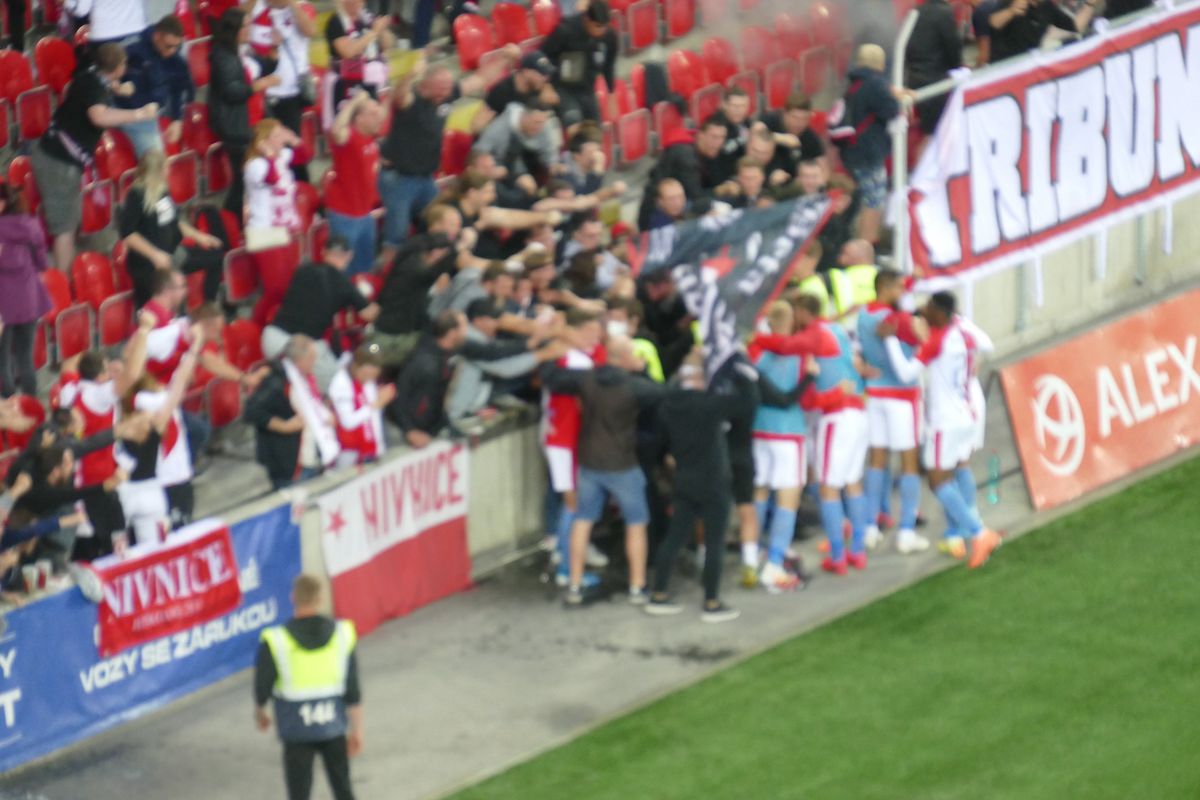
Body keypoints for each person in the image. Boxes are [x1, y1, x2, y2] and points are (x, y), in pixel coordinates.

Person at [541, 335, 667, 605]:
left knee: (582, 520)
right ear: (623, 359)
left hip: (589, 463)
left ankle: (574, 585)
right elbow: (662, 392)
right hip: (622, 465)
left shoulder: (586, 379)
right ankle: (637, 587)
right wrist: (641, 369)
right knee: (637, 523)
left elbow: (552, 376)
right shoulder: (634, 386)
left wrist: (554, 350)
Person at [880, 292, 1003, 568]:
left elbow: (906, 374)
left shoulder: (937, 341)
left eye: (929, 309)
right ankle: (960, 531)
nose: (924, 313)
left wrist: (889, 339)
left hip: (945, 420)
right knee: (958, 468)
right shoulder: (962, 327)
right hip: (967, 410)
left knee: (937, 479)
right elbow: (987, 344)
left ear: (939, 312)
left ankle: (978, 533)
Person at [30, 43, 159, 271]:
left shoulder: (91, 76)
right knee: (64, 229)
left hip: (56, 156)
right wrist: (139, 114)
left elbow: (99, 88)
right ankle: (64, 285)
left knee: (70, 223)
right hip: (58, 163)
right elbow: (98, 116)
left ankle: (68, 275)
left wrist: (117, 88)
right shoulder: (94, 89)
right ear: (118, 68)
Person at [644, 353, 745, 622]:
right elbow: (744, 403)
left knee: (675, 537)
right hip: (713, 481)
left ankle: (659, 594)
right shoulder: (708, 405)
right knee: (714, 542)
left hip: (685, 478)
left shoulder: (668, 406)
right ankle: (711, 601)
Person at [255, 574, 362, 800]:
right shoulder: (342, 634)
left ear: (293, 597)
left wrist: (260, 713)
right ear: (320, 599)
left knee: (299, 794)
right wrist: (357, 730)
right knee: (343, 789)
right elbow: (352, 689)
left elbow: (261, 687)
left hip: (296, 731)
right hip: (333, 727)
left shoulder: (276, 640)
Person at [857, 268, 930, 554]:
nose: (903, 293)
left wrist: (912, 280)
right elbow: (921, 333)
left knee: (877, 460)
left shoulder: (863, 315)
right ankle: (906, 532)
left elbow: (895, 297)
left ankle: (871, 527)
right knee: (909, 463)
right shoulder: (897, 320)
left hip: (875, 393)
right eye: (899, 288)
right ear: (887, 289)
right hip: (903, 397)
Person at [116, 321, 204, 545]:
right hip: (165, 482)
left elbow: (177, 385)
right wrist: (194, 347)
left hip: (177, 478)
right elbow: (178, 385)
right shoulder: (141, 401)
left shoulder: (150, 396)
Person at [749, 302, 817, 592]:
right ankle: (775, 566)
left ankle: (752, 558)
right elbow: (806, 398)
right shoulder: (800, 352)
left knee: (760, 492)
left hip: (759, 431)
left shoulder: (756, 351)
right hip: (788, 433)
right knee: (788, 498)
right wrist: (812, 375)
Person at [262, 235, 380, 392]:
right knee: (339, 387)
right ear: (349, 256)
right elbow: (369, 314)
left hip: (272, 341)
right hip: (304, 350)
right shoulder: (345, 285)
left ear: (324, 252)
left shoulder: (302, 269)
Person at [119, 150, 226, 308]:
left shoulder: (162, 190)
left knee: (216, 257)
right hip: (148, 263)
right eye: (166, 167)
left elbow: (175, 221)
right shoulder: (136, 195)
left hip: (171, 253)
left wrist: (200, 237)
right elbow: (127, 233)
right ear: (157, 170)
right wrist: (155, 255)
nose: (169, 171)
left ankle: (208, 307)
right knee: (165, 297)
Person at [378, 59, 458, 257]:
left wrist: (504, 60)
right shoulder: (411, 99)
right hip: (400, 179)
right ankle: (389, 274)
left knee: (435, 223)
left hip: (426, 178)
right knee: (396, 236)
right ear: (425, 85)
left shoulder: (445, 98)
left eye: (448, 87)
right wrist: (410, 74)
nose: (445, 92)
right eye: (440, 87)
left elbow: (478, 80)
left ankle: (427, 264)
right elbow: (399, 96)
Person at [209, 8, 282, 215]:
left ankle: (239, 223)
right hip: (237, 127)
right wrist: (259, 85)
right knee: (243, 182)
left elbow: (262, 67)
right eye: (246, 26)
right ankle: (230, 222)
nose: (250, 30)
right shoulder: (222, 56)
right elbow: (231, 91)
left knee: (250, 181)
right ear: (235, 30)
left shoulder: (244, 50)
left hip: (254, 121)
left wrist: (274, 50)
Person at [245, 334, 340, 489]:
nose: (314, 363)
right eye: (311, 359)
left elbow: (312, 405)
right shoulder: (276, 381)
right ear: (299, 360)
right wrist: (283, 426)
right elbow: (252, 411)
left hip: (312, 457)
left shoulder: (304, 378)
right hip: (289, 463)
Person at [447, 300, 564, 421]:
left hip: (467, 402)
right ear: (478, 321)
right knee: (526, 379)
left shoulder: (479, 337)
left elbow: (501, 350)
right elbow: (505, 368)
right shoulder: (469, 340)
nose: (497, 324)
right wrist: (542, 354)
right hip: (456, 410)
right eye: (493, 320)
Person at [834, 44, 904, 246]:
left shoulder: (854, 83)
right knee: (874, 200)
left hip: (852, 151)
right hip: (868, 152)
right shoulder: (875, 84)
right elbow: (891, 110)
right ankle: (866, 245)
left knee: (865, 198)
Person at [243, 118, 307, 327]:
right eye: (277, 136)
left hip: (285, 229)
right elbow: (271, 179)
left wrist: (295, 140)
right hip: (264, 230)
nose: (282, 139)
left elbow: (304, 157)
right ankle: (258, 325)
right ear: (265, 140)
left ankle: (282, 324)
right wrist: (269, 156)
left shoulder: (282, 156)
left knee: (290, 285)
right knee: (275, 289)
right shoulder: (255, 165)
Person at [248, 0, 318, 183]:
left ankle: (302, 192)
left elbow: (310, 30)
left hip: (290, 95)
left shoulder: (301, 7)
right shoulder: (256, 8)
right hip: (261, 93)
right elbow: (236, 22)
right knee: (263, 149)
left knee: (291, 147)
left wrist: (292, 5)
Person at [371, 232, 456, 369]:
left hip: (408, 333)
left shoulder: (423, 269)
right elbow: (422, 280)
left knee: (399, 361)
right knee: (372, 352)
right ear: (436, 253)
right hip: (386, 331)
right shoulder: (413, 269)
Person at [388, 310, 469, 449]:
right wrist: (409, 430)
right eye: (464, 327)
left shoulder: (446, 355)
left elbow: (438, 397)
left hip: (427, 432)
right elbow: (398, 394)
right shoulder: (423, 361)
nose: (467, 332)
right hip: (406, 435)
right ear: (451, 333)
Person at [325, 91, 385, 275]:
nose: (379, 118)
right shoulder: (348, 138)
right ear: (359, 118)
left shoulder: (371, 139)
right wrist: (354, 102)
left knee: (366, 266)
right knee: (342, 269)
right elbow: (336, 130)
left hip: (365, 214)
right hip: (345, 214)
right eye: (373, 114)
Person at [118, 15, 194, 157]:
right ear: (157, 36)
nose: (172, 51)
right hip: (129, 111)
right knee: (156, 159)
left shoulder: (177, 61)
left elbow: (178, 90)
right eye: (168, 46)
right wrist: (116, 85)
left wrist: (177, 120)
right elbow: (107, 68)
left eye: (176, 47)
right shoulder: (133, 47)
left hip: (152, 112)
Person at [636, 117, 731, 229]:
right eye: (714, 137)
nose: (718, 143)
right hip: (656, 218)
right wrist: (720, 192)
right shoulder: (686, 157)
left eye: (722, 138)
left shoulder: (702, 150)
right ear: (700, 135)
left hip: (673, 208)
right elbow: (696, 197)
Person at [0, 184, 50, 397]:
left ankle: (11, 412)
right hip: (29, 299)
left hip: (3, 305)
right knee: (25, 358)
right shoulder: (31, 225)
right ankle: (32, 405)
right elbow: (43, 263)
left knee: (2, 362)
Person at [540, 0, 618, 127]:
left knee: (594, 130)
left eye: (605, 26)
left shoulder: (609, 37)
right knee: (574, 127)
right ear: (587, 19)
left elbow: (608, 66)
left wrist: (611, 94)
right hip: (563, 87)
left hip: (587, 88)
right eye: (598, 26)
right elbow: (543, 56)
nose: (602, 31)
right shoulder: (565, 30)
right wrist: (546, 85)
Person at [475, 102, 562, 197]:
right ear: (524, 116)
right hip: (503, 168)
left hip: (531, 167)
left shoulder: (544, 127)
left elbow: (550, 157)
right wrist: (493, 170)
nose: (539, 127)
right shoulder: (499, 128)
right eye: (536, 122)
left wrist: (554, 166)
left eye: (542, 123)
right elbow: (478, 153)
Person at [904, 0, 963, 139]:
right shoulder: (944, 13)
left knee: (930, 133)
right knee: (934, 136)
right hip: (936, 81)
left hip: (915, 79)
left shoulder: (916, 12)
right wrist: (957, 68)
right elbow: (953, 47)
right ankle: (925, 161)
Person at [329, 345, 395, 469]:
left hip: (370, 450)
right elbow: (347, 421)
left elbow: (374, 418)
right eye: (374, 366)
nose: (378, 371)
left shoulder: (368, 382)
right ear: (359, 366)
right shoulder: (341, 382)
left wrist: (379, 449)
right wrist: (377, 404)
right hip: (349, 453)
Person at [470, 50, 560, 134]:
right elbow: (477, 124)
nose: (546, 78)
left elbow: (553, 99)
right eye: (542, 74)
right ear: (527, 72)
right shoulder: (501, 92)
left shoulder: (539, 85)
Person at [325, 0, 394, 105]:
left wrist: (382, 29)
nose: (356, 2)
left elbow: (388, 44)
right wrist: (374, 32)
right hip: (345, 83)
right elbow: (348, 52)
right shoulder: (335, 22)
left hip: (370, 82)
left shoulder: (368, 18)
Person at [988, 0, 1098, 63]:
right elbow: (993, 23)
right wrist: (1011, 11)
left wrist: (1090, 4)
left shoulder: (1046, 7)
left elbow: (1075, 27)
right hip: (1004, 65)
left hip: (1030, 63)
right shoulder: (1012, 2)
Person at [761, 93, 826, 176]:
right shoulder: (772, 120)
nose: (799, 123)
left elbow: (822, 165)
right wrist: (779, 138)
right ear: (784, 114)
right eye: (794, 117)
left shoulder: (810, 137)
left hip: (796, 183)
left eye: (804, 119)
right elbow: (755, 132)